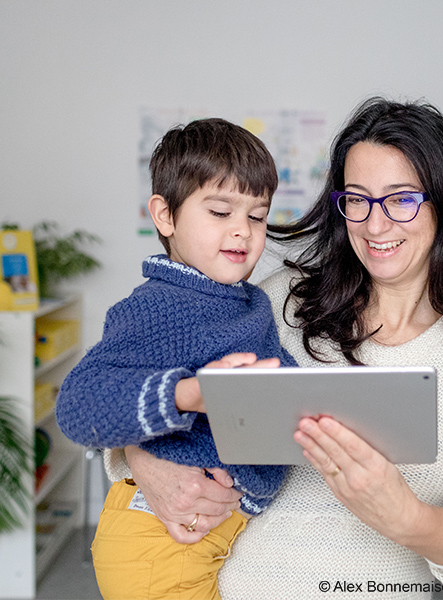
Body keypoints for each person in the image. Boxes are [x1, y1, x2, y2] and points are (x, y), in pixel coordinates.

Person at [105, 97, 443, 599]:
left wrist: (409, 519)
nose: (375, 225)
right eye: (357, 199)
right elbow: (153, 388)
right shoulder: (278, 304)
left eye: (400, 199)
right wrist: (143, 459)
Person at [55, 118, 297, 600]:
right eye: (220, 211)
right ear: (165, 216)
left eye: (257, 216)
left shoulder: (249, 303)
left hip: (211, 536)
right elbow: (78, 404)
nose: (242, 232)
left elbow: (279, 387)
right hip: (156, 543)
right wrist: (188, 393)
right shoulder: (157, 306)